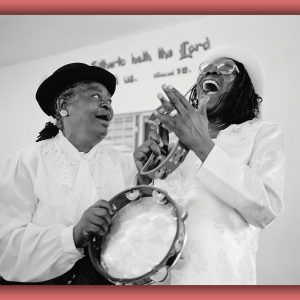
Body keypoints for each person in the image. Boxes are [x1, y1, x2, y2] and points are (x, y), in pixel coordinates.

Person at [133, 44, 285, 285]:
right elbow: (148, 212)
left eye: (226, 68)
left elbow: (266, 208)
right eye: (206, 68)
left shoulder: (260, 133)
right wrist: (144, 179)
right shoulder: (172, 141)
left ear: (243, 87)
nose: (212, 72)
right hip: (157, 278)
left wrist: (203, 145)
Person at [0, 63, 141, 284]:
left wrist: (148, 174)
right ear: (64, 105)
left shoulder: (123, 165)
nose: (107, 105)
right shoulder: (28, 162)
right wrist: (72, 236)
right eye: (95, 95)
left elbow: (141, 226)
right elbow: (6, 246)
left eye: (109, 100)